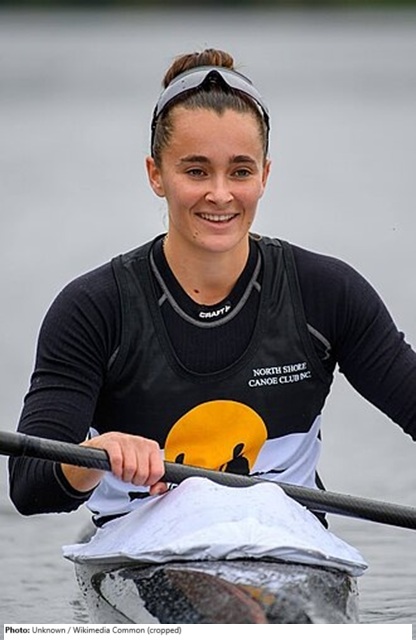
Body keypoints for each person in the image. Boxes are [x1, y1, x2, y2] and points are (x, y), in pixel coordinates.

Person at [9, 48, 416, 527]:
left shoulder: (327, 294)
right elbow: (29, 486)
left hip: (285, 538)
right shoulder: (94, 309)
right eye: (196, 171)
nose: (220, 194)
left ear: (264, 175)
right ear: (156, 174)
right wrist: (96, 454)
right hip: (145, 543)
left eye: (240, 171)